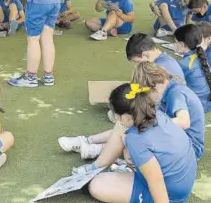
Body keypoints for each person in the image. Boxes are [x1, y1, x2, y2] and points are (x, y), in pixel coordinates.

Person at [58, 62, 204, 162]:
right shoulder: (168, 87)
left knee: (137, 129)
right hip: (177, 140)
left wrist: (151, 124)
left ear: (154, 88)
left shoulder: (175, 93)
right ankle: (88, 140)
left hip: (189, 149)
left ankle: (99, 148)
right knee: (130, 124)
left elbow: (184, 122)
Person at [87, 83, 197, 203]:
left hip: (170, 194)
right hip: (181, 180)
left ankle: (98, 166)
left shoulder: (136, 140)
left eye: (115, 114)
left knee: (97, 185)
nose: (116, 118)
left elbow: (157, 183)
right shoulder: (157, 114)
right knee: (121, 129)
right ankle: (99, 165)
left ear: (123, 116)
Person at [174, 24, 211, 112]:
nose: (174, 44)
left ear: (182, 44)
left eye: (175, 42)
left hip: (196, 105)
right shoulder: (201, 56)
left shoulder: (184, 64)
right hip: (206, 102)